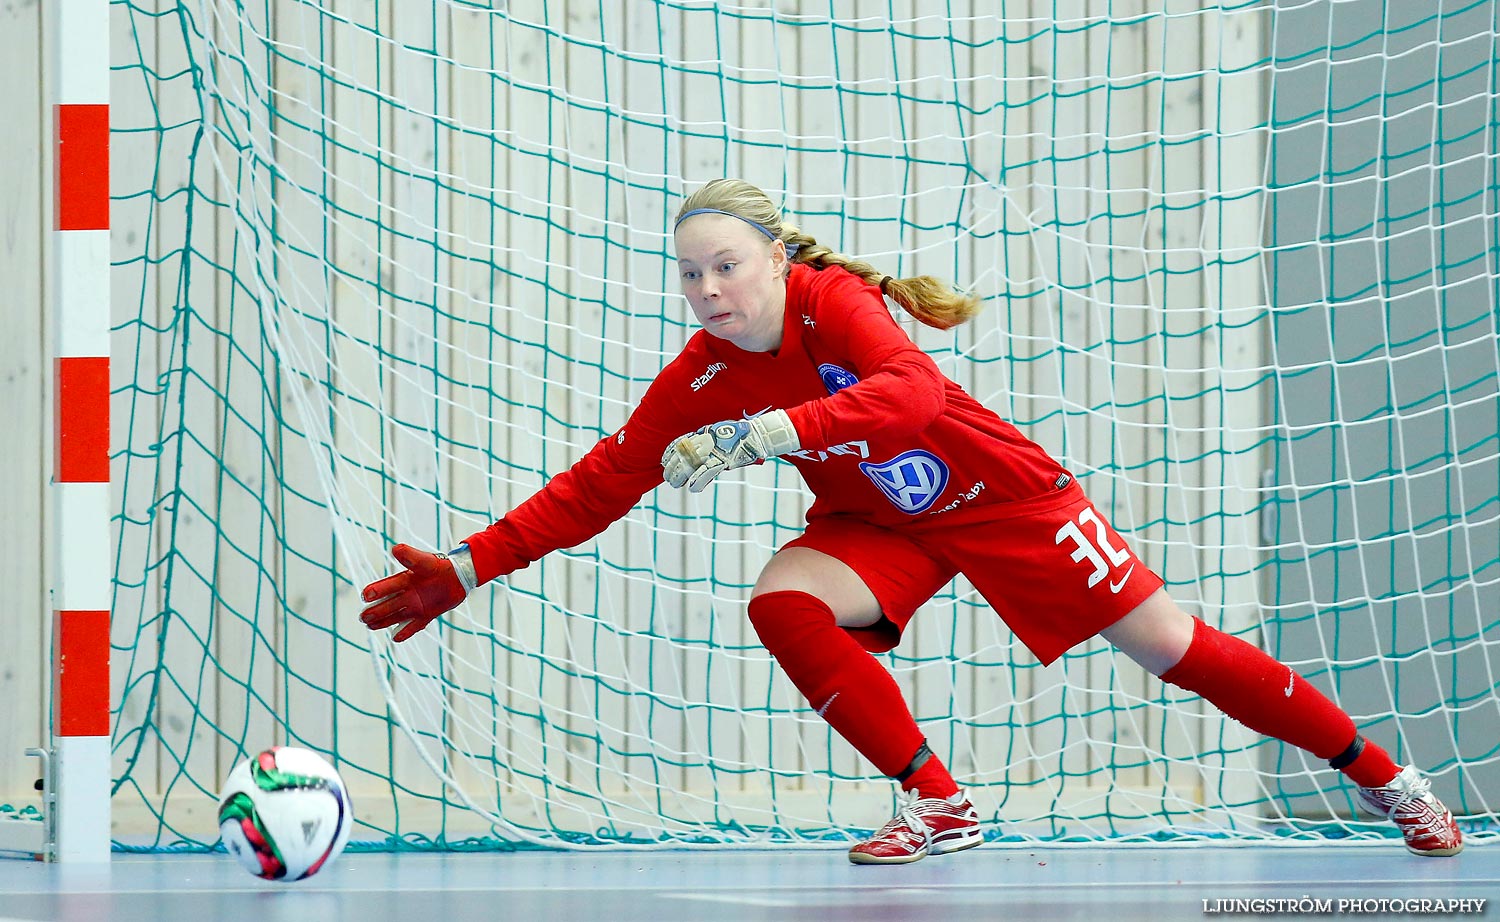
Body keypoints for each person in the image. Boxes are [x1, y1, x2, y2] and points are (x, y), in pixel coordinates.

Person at [359, 178, 1464, 863]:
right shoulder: (697, 378)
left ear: (777, 260)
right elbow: (604, 480)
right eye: (690, 273)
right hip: (878, 519)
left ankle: (1385, 777)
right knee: (783, 602)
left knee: (1175, 651)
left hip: (1009, 499)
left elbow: (913, 399)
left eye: (726, 265)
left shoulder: (836, 304)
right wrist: (469, 564)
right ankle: (941, 804)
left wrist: (770, 433)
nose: (706, 288)